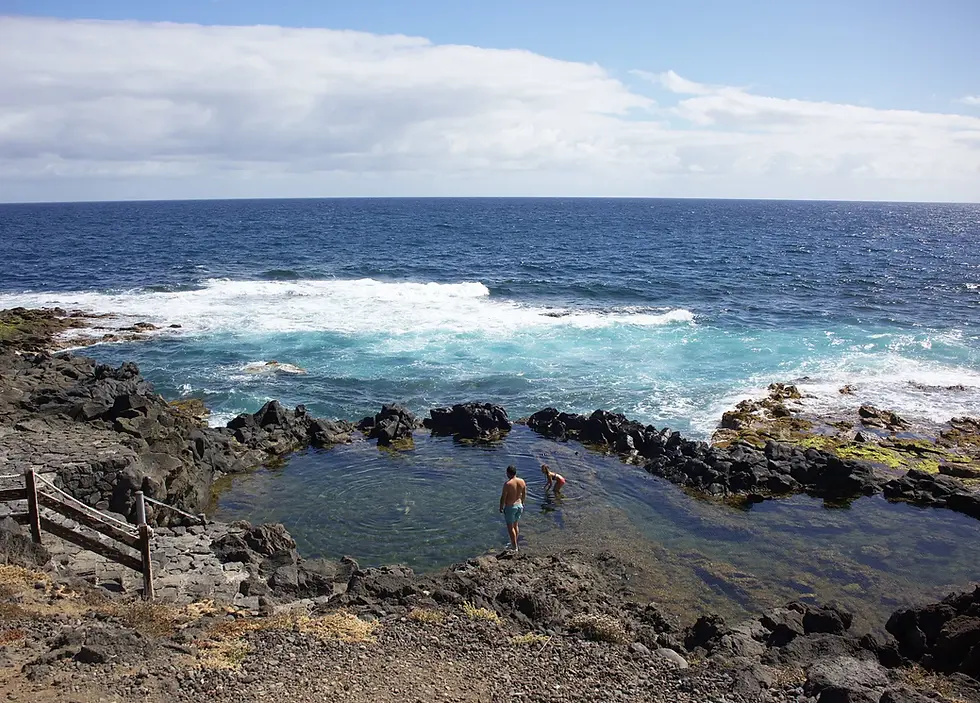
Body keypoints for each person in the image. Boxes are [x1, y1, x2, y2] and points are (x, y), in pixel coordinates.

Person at [499, 465, 526, 552]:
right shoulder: (522, 481)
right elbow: (524, 493)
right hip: (519, 506)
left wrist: (501, 507)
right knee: (516, 525)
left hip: (511, 507)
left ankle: (514, 547)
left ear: (508, 473)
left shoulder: (508, 484)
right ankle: (514, 543)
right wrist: (522, 502)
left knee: (510, 528)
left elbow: (503, 497)